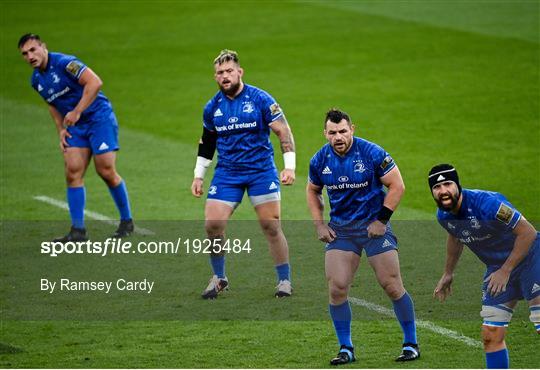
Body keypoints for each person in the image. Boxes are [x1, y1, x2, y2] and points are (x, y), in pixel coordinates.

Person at [306, 108, 419, 365]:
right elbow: (312, 190)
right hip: (342, 231)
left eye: (343, 131)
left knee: (391, 285)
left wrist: (381, 220)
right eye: (332, 132)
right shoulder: (319, 160)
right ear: (325, 134)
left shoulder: (372, 153)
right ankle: (346, 348)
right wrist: (319, 225)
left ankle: (411, 343)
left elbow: (397, 185)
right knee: (337, 289)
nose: (338, 137)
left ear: (352, 129)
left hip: (373, 228)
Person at [191, 49, 296, 299]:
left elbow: (284, 132)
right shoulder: (212, 107)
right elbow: (207, 143)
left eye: (229, 71)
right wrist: (198, 175)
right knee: (212, 225)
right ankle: (219, 277)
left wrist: (289, 166)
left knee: (271, 226)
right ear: (215, 77)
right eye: (220, 73)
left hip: (260, 170)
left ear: (240, 72)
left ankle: (284, 280)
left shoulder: (260, 99)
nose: (225, 76)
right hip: (227, 173)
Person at [18, 34, 134, 241]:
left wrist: (78, 111)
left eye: (33, 50)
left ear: (43, 47)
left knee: (105, 169)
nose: (30, 56)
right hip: (74, 125)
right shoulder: (36, 80)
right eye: (25, 54)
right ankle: (78, 230)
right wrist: (61, 129)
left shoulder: (65, 63)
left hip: (98, 118)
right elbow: (52, 104)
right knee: (72, 171)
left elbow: (95, 82)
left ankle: (127, 220)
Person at [430, 164, 539, 369]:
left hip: (531, 258)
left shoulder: (489, 204)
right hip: (497, 269)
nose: (443, 191)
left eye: (448, 184)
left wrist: (506, 270)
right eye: (437, 187)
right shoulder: (443, 216)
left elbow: (528, 233)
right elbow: (455, 236)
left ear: (458, 185)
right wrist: (448, 273)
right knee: (491, 335)